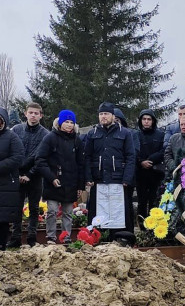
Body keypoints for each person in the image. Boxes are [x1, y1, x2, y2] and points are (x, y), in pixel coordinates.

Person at [84, 103, 137, 235]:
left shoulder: (125, 133)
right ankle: (97, 237)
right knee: (98, 212)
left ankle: (120, 238)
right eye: (101, 114)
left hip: (118, 179)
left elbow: (131, 157)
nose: (103, 117)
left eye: (106, 114)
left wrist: (127, 178)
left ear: (113, 116)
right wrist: (88, 177)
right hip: (99, 179)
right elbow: (87, 157)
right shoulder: (92, 133)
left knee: (119, 211)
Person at [35, 110, 85, 243]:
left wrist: (80, 185)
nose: (69, 125)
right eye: (66, 122)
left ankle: (66, 237)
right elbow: (40, 160)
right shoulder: (50, 138)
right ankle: (51, 236)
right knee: (51, 211)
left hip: (70, 183)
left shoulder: (77, 140)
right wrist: (51, 177)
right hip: (53, 182)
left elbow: (81, 164)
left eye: (71, 122)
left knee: (68, 213)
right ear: (60, 123)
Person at [9, 102, 48, 247]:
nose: (33, 115)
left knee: (34, 208)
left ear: (40, 116)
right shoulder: (16, 130)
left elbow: (42, 158)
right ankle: (15, 238)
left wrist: (30, 175)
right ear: (25, 114)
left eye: (36, 113)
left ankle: (32, 237)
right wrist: (17, 173)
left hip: (35, 177)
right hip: (17, 175)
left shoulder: (45, 134)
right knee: (16, 208)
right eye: (30, 112)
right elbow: (11, 152)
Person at [0, 106, 25, 250]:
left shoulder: (11, 137)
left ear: (2, 121)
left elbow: (18, 157)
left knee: (1, 220)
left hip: (4, 185)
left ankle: (1, 246)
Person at [135, 110, 165, 220]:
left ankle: (154, 228)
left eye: (149, 119)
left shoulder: (161, 134)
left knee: (154, 201)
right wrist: (141, 162)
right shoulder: (135, 135)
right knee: (141, 202)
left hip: (155, 172)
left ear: (153, 121)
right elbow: (133, 151)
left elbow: (164, 150)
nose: (146, 121)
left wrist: (151, 160)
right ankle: (142, 226)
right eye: (144, 119)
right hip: (140, 173)